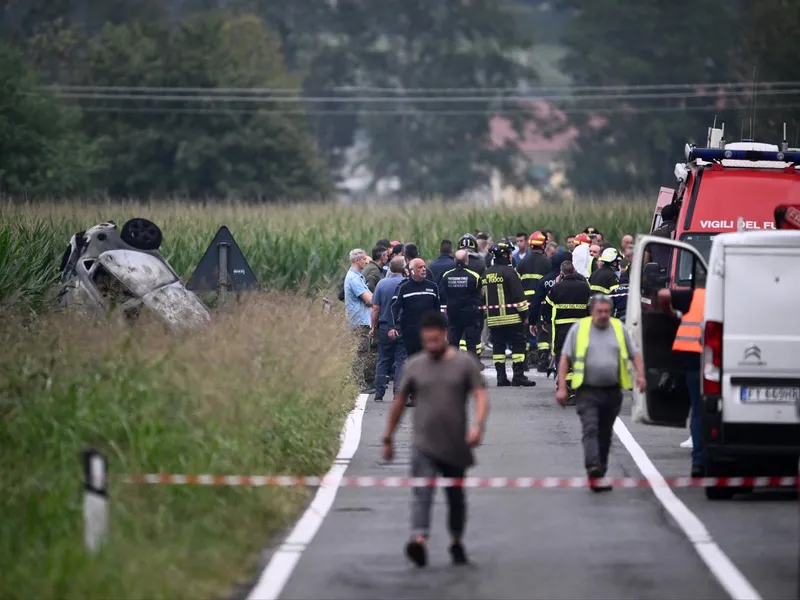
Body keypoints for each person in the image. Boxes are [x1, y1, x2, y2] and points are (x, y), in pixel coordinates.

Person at [382, 310, 489, 568]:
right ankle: (419, 540)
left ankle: (456, 541)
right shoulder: (415, 365)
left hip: (455, 445)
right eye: (427, 341)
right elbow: (398, 402)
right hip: (424, 444)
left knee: (455, 495)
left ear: (445, 336)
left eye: (436, 341)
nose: (431, 345)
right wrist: (388, 437)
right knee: (422, 493)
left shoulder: (464, 364)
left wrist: (478, 425)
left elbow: (480, 395)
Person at [557, 294, 646, 489]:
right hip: (587, 391)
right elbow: (565, 358)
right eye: (600, 312)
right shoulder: (579, 329)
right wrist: (562, 386)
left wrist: (641, 376)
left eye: (607, 311)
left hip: (612, 392)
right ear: (591, 311)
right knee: (591, 428)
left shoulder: (618, 328)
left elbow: (634, 354)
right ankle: (593, 467)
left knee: (605, 434)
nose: (604, 315)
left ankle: (600, 472)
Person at [657, 274, 705, 477]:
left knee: (698, 407)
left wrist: (671, 312)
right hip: (718, 357)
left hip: (691, 356)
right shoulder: (733, 296)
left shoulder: (695, 295)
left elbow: (662, 293)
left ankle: (699, 460)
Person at [482, 241, 536, 387]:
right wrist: (525, 315)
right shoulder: (510, 272)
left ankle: (501, 378)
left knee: (498, 348)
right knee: (518, 346)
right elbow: (519, 296)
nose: (511, 256)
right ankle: (518, 376)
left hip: (493, 320)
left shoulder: (487, 273)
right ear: (504, 255)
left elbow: (482, 297)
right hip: (512, 318)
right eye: (509, 253)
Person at [389, 259, 441, 407]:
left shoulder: (433, 287)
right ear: (411, 271)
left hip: (429, 332)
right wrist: (393, 327)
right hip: (410, 332)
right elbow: (394, 308)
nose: (424, 269)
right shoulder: (404, 288)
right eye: (420, 267)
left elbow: (437, 311)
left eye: (424, 267)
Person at [545, 260, 591, 398]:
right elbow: (591, 307)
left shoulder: (557, 288)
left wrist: (543, 321)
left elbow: (547, 306)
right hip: (581, 328)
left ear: (561, 273)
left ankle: (566, 387)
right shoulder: (585, 287)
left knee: (563, 356)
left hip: (561, 328)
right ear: (574, 271)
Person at [371, 256, 408, 402]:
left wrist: (373, 326)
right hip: (402, 326)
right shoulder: (406, 284)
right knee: (401, 359)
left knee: (383, 359)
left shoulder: (381, 284)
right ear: (404, 269)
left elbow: (375, 308)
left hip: (385, 325)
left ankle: (379, 392)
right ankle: (398, 393)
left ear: (390, 268)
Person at [529, 251, 570, 373]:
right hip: (571, 317)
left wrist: (533, 321)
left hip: (550, 319)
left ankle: (558, 372)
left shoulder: (545, 280)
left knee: (556, 345)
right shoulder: (575, 278)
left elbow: (536, 302)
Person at [440, 249, 484, 361]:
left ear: (455, 260)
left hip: (453, 315)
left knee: (453, 343)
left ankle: (451, 368)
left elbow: (444, 293)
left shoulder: (446, 275)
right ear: (467, 260)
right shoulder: (474, 276)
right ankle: (472, 368)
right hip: (470, 315)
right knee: (471, 344)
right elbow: (481, 293)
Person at [344, 249, 376, 393]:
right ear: (357, 261)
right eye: (363, 259)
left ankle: (360, 382)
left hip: (362, 319)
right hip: (358, 321)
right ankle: (359, 384)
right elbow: (369, 299)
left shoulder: (358, 276)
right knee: (361, 353)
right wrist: (378, 298)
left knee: (363, 351)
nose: (366, 261)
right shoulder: (354, 278)